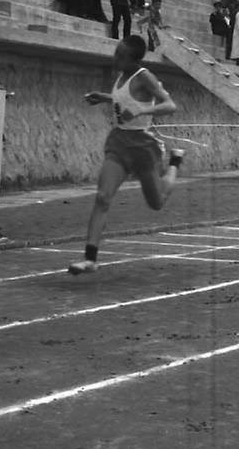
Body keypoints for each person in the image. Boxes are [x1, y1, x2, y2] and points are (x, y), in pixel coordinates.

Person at [68, 35, 184, 274]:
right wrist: (104, 97)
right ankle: (90, 258)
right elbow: (124, 99)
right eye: (116, 52)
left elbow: (170, 105)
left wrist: (142, 109)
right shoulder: (121, 75)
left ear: (134, 59)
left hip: (142, 146)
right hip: (119, 142)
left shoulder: (144, 76)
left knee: (157, 203)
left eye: (121, 55)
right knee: (102, 197)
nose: (115, 57)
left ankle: (175, 162)